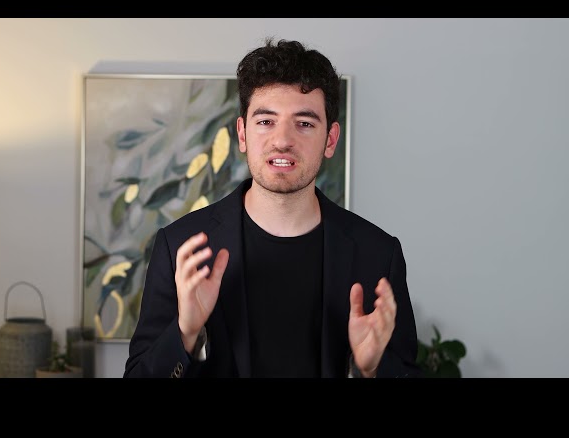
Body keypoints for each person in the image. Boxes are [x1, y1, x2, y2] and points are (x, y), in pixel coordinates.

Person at [124, 38, 421, 378]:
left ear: (330, 140)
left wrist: (370, 370)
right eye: (266, 121)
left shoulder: (378, 254)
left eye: (304, 123)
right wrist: (185, 333)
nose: (282, 140)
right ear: (242, 134)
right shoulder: (178, 246)